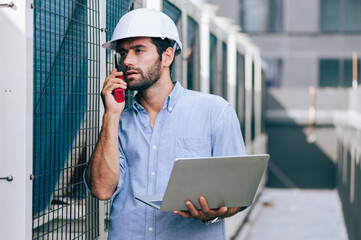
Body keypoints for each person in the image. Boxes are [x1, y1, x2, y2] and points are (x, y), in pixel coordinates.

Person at [84, 8, 246, 240]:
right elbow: (101, 189)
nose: (127, 61)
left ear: (167, 57)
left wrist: (214, 213)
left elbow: (238, 192)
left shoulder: (214, 111)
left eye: (138, 50)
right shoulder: (118, 122)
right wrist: (111, 114)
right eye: (123, 53)